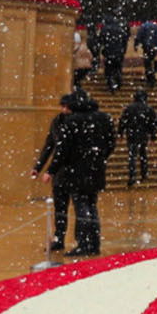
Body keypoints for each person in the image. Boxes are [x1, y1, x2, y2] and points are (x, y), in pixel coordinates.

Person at [33, 91, 115, 256]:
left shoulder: (73, 121)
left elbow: (62, 150)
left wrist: (51, 170)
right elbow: (110, 143)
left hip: (76, 171)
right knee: (90, 205)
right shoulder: (104, 118)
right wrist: (99, 158)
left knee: (82, 206)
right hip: (95, 169)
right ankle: (93, 243)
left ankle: (84, 243)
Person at [119, 88, 156, 187]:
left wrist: (120, 133)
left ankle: (132, 175)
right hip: (143, 134)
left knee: (132, 156)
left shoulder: (129, 108)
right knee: (143, 154)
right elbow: (152, 124)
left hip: (132, 134)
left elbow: (123, 121)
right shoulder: (148, 109)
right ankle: (144, 173)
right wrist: (153, 136)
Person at [99, 14, 128, 91]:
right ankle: (118, 81)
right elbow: (125, 40)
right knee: (118, 67)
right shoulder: (119, 29)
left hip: (108, 52)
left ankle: (111, 84)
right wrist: (123, 50)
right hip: (118, 52)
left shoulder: (105, 29)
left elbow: (101, 40)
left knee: (109, 69)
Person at [135, 18, 157, 93]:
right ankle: (151, 78)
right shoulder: (155, 26)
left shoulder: (143, 26)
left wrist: (136, 45)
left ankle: (151, 80)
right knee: (149, 62)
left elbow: (138, 36)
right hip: (154, 47)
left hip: (147, 47)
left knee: (147, 64)